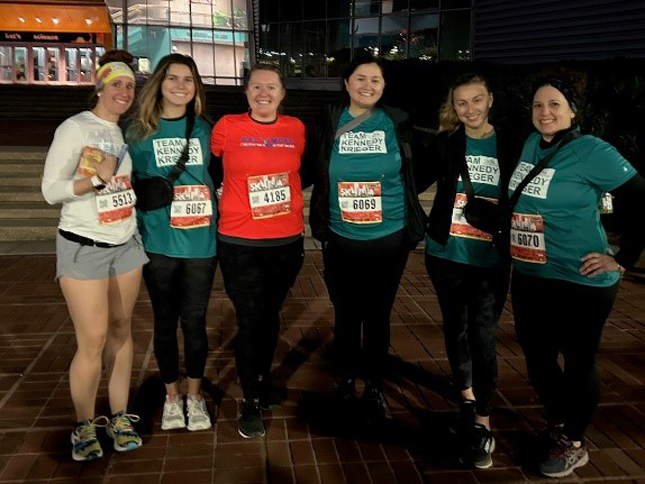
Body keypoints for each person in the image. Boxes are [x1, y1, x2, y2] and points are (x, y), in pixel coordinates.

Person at [509, 78, 645, 478]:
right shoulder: (532, 144)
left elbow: (642, 199)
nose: (545, 113)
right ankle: (559, 421)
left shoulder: (592, 150)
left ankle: (574, 440)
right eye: (537, 105)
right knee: (536, 358)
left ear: (573, 110)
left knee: (578, 362)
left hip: (580, 280)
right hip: (532, 273)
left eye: (554, 104)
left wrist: (621, 259)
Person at [304, 53, 425, 420]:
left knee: (377, 314)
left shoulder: (398, 122)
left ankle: (373, 385)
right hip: (341, 237)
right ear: (346, 83)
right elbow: (310, 166)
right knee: (346, 314)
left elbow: (423, 167)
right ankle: (344, 382)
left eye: (375, 79)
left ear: (384, 86)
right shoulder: (328, 121)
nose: (367, 85)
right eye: (360, 78)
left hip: (389, 237)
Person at [41, 50, 146, 461]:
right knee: (94, 339)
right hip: (83, 245)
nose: (123, 91)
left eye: (129, 86)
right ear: (100, 87)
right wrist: (91, 181)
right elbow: (50, 190)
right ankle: (84, 423)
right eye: (116, 84)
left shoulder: (128, 133)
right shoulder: (75, 127)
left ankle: (119, 416)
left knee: (122, 330)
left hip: (126, 243)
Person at [415, 73, 522, 468]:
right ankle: (467, 399)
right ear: (453, 107)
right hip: (445, 254)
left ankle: (483, 421)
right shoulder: (445, 143)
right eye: (462, 103)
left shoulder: (512, 144)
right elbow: (410, 179)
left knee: (483, 335)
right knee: (455, 329)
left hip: (491, 258)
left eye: (477, 101)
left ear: (490, 99)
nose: (470, 109)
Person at [210, 63, 306, 438]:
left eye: (271, 87)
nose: (263, 93)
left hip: (286, 241)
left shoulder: (295, 129)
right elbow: (211, 168)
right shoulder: (227, 127)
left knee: (269, 314)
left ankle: (263, 382)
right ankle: (250, 398)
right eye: (256, 87)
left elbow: (299, 171)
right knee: (251, 319)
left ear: (283, 93)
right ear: (246, 92)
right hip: (240, 242)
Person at [127, 54, 216, 432]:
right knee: (165, 323)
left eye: (189, 79)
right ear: (159, 83)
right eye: (173, 78)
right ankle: (171, 396)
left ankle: (194, 396)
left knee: (194, 322)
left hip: (201, 243)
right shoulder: (136, 131)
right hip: (158, 242)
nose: (181, 85)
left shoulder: (206, 130)